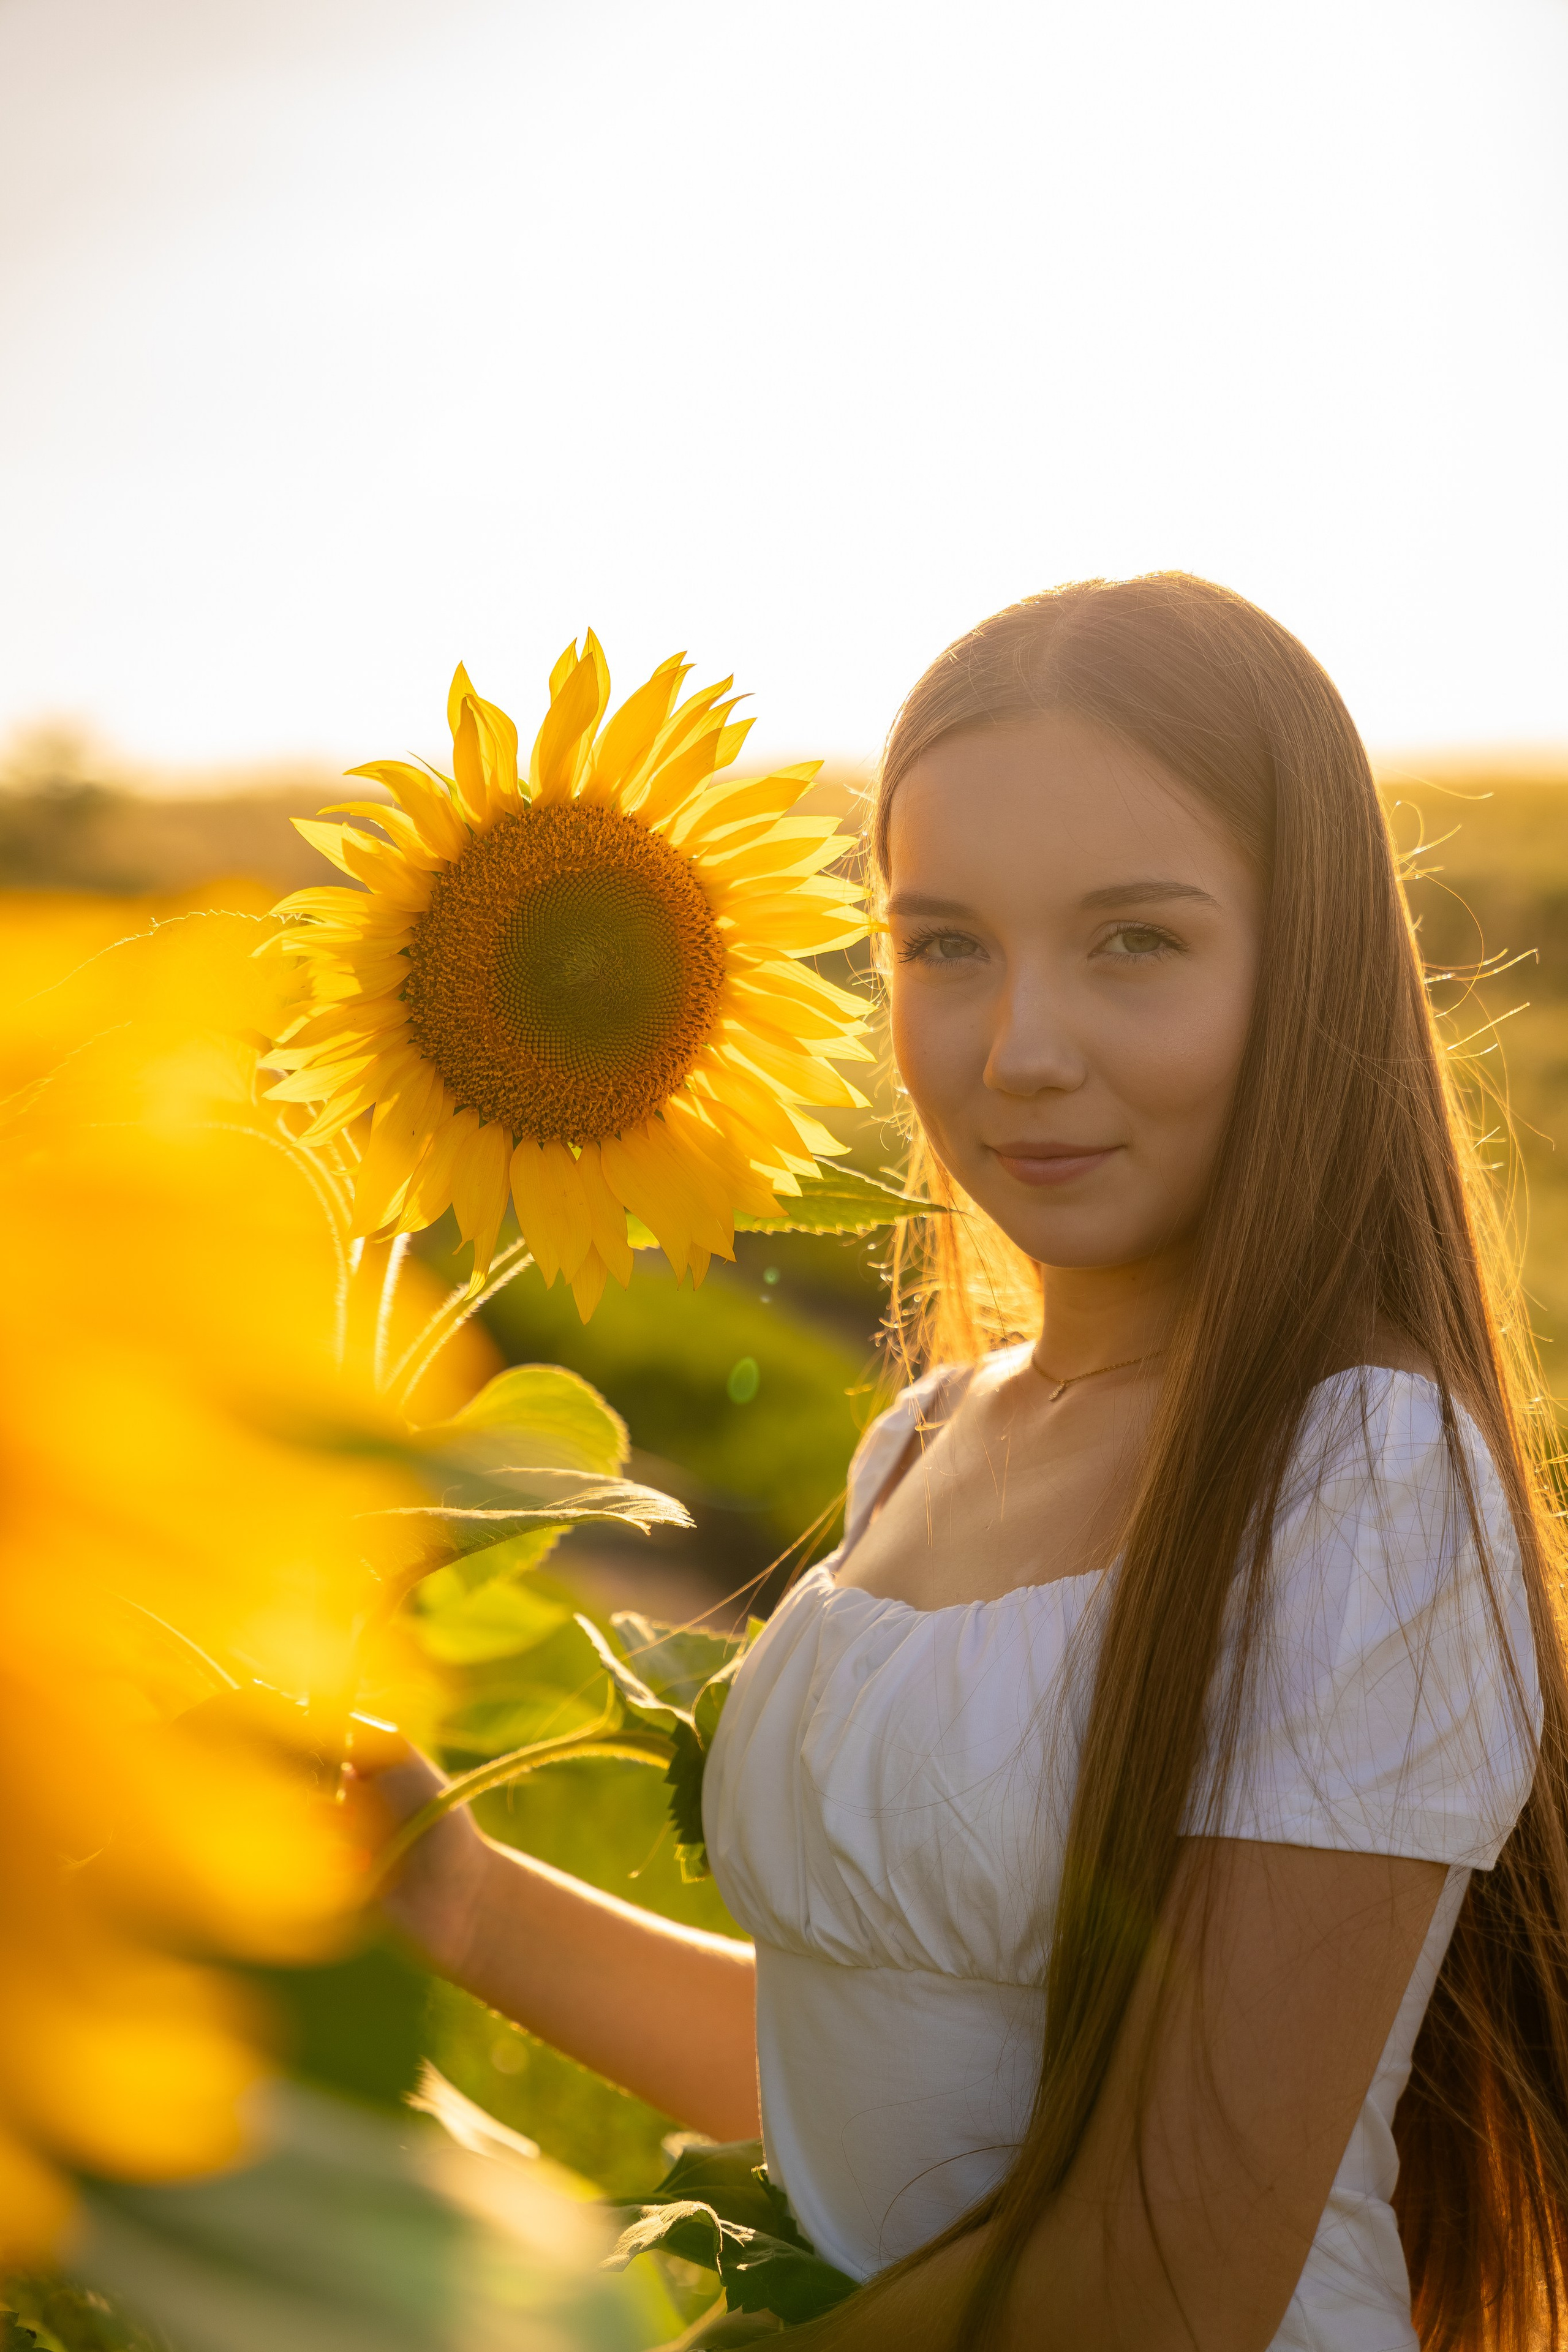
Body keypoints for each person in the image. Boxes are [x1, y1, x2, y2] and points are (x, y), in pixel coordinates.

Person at [363, 575, 1568, 2351]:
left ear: (1301, 960)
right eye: (945, 946)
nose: (1022, 1053)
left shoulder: (1362, 1476)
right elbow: (867, 2064)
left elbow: (1161, 2284)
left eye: (1134, 942)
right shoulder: (931, 1433)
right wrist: (439, 1885)